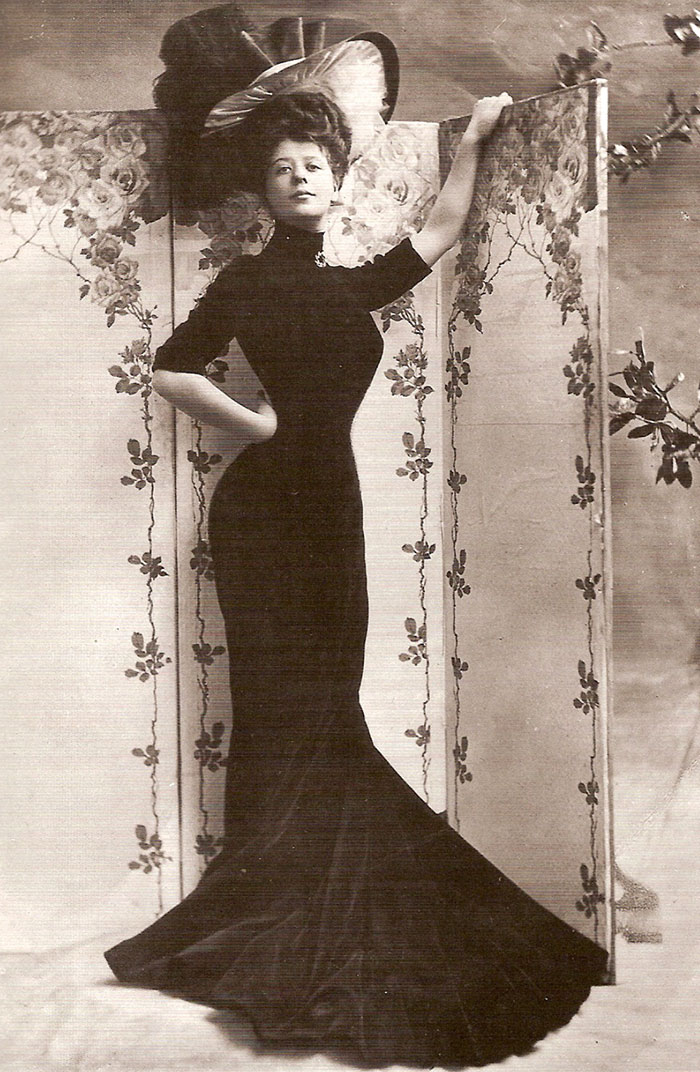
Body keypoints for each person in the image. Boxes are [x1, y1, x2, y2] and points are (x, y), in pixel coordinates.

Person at [104, 7, 608, 1067]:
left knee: (327, 707)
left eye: (314, 167)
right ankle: (273, 920)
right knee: (283, 710)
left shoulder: (354, 281)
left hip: (330, 512)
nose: (300, 179)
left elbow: (440, 230)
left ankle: (300, 909)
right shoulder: (243, 280)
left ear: (336, 182)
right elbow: (170, 364)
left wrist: (468, 146)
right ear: (266, 183)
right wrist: (257, 423)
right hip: (261, 516)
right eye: (283, 167)